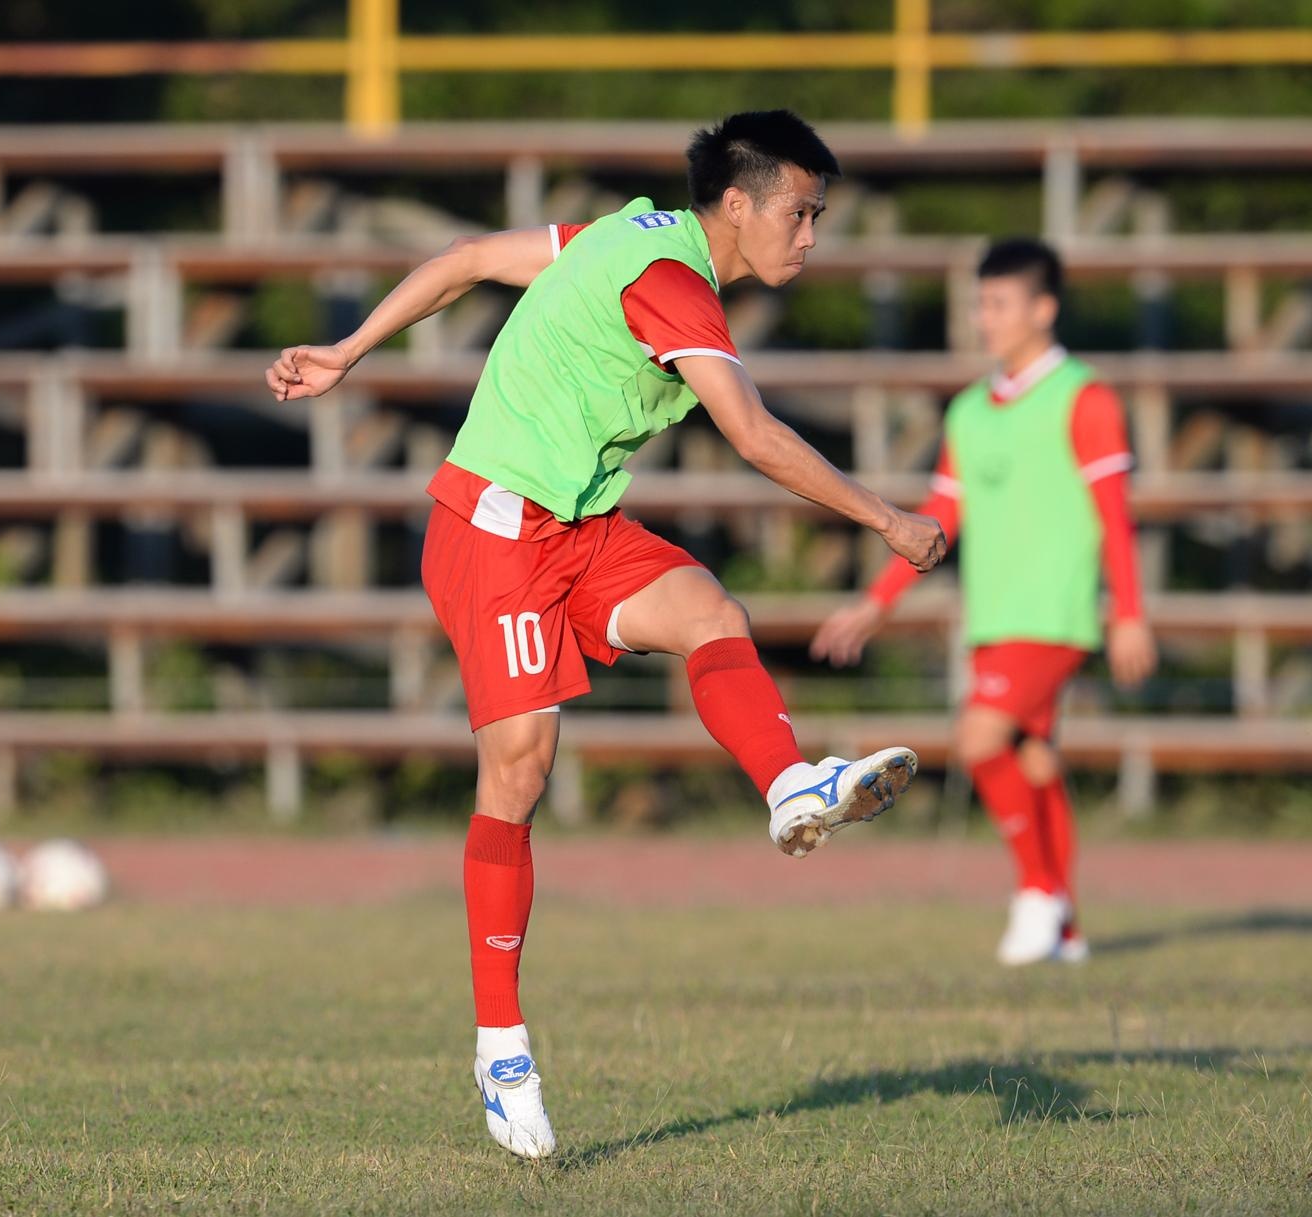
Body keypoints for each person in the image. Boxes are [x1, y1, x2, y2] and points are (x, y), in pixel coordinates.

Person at [265, 110, 946, 1160]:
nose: (809, 236)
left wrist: (350, 349)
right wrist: (888, 521)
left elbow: (467, 259)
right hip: (491, 527)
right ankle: (500, 1047)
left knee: (711, 609)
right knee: (521, 769)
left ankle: (786, 788)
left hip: (578, 527)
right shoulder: (667, 282)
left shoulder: (624, 231)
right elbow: (754, 436)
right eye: (798, 212)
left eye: (818, 216)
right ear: (737, 204)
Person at [811, 238, 1156, 967]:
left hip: (1052, 616)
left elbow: (1115, 516)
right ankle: (1066, 928)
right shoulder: (969, 411)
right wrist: (877, 603)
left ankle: (1036, 894)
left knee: (978, 740)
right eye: (979, 302)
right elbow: (940, 517)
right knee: (1032, 761)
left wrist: (1129, 611)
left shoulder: (1084, 398)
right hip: (993, 619)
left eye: (998, 303)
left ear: (1044, 308)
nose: (984, 317)